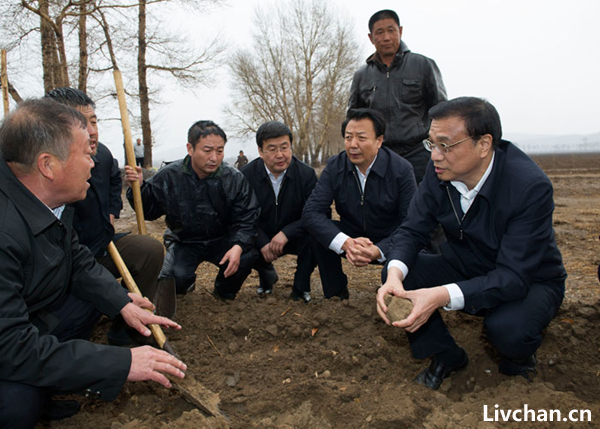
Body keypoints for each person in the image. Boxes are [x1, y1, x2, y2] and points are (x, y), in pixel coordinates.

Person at [0, 98, 185, 428]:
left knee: (91, 305)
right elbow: (11, 346)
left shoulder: (53, 201)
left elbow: (78, 261)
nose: (93, 163)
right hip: (9, 337)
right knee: (15, 407)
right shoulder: (4, 230)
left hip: (29, 313)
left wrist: (122, 304)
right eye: (86, 153)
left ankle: (45, 388)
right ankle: (35, 396)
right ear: (48, 165)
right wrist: (120, 362)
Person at [377, 97, 566, 390]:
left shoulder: (529, 187)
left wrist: (440, 295)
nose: (435, 156)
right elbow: (412, 230)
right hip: (466, 265)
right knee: (401, 273)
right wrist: (393, 274)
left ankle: (518, 360)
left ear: (484, 144)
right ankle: (447, 355)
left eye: (445, 145)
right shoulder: (438, 172)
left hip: (530, 280)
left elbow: (513, 276)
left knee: (507, 330)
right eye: (431, 144)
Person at [45, 87, 165, 346]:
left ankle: (126, 330)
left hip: (101, 243)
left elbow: (113, 179)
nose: (92, 131)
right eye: (81, 123)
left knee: (148, 250)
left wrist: (112, 212)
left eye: (94, 121)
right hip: (66, 262)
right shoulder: (44, 174)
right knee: (78, 312)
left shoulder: (101, 155)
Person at [124, 120, 259, 299]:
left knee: (245, 258)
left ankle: (223, 291)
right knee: (174, 277)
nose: (214, 158)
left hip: (222, 239)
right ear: (190, 148)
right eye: (207, 150)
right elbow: (149, 211)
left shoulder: (233, 178)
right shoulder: (170, 175)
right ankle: (185, 283)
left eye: (220, 151)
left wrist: (238, 245)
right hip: (185, 241)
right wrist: (139, 189)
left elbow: (247, 217)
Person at [303, 108, 416, 299]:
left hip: (389, 237)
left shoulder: (401, 169)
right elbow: (311, 212)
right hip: (352, 235)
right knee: (319, 231)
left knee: (416, 244)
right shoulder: (335, 166)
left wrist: (378, 249)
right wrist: (346, 243)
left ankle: (398, 293)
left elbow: (411, 222)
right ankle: (336, 294)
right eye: (348, 138)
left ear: (379, 141)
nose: (353, 145)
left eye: (361, 138)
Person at [348, 9, 447, 183]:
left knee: (420, 206)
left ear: (400, 31)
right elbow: (354, 118)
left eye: (391, 30)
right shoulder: (362, 75)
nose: (386, 37)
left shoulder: (423, 65)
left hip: (419, 154)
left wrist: (437, 146)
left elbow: (441, 110)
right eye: (380, 32)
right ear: (371, 38)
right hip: (379, 155)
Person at [241, 121, 317, 303]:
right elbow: (243, 216)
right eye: (272, 149)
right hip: (261, 235)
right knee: (240, 242)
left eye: (285, 148)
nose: (280, 155)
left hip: (295, 235)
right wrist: (262, 241)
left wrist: (286, 233)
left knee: (316, 239)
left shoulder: (306, 175)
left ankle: (301, 288)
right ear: (260, 151)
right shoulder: (246, 175)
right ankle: (266, 276)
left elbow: (314, 214)